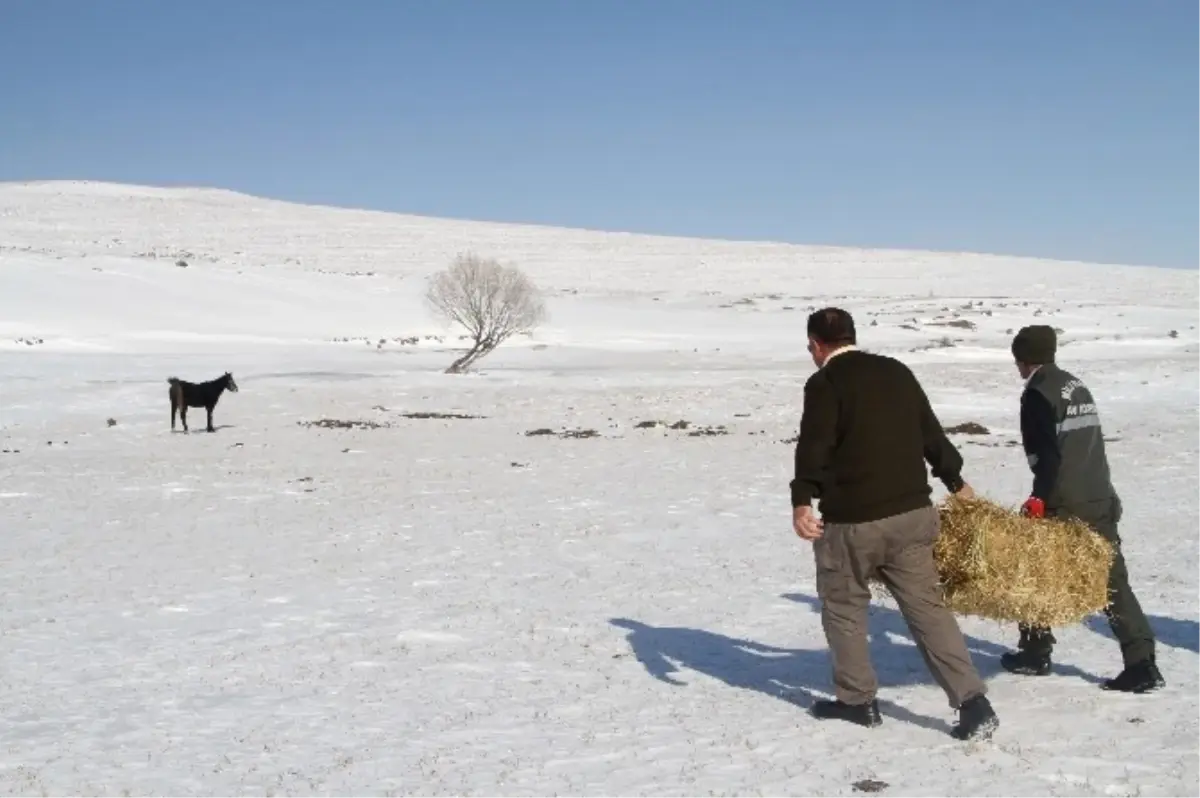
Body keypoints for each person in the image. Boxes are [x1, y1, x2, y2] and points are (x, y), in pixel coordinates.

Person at [791, 307, 998, 741]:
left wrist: (802, 500)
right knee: (928, 611)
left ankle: (857, 702)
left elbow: (815, 444)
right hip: (912, 517)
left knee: (844, 609)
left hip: (854, 524)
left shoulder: (825, 383)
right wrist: (955, 479)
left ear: (815, 345)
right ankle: (973, 703)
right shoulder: (896, 372)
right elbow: (930, 432)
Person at [1000, 325, 1163, 693]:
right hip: (1098, 495)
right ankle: (1141, 663)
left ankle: (1035, 651)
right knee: (1111, 579)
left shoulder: (1038, 394)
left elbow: (1048, 455)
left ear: (1024, 359)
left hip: (1064, 501)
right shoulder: (1076, 385)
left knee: (1032, 571)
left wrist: (1040, 497)